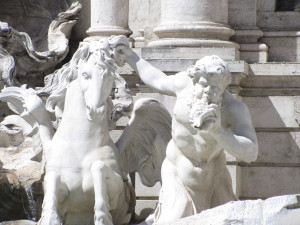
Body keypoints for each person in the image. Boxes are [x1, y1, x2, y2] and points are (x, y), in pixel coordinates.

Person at [115, 43, 258, 223]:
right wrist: (130, 56)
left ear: (223, 90)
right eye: (204, 85)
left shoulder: (233, 108)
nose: (207, 92)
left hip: (214, 181)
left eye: (215, 90)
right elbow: (156, 79)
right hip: (176, 176)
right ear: (195, 79)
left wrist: (218, 131)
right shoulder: (184, 85)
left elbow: (251, 152)